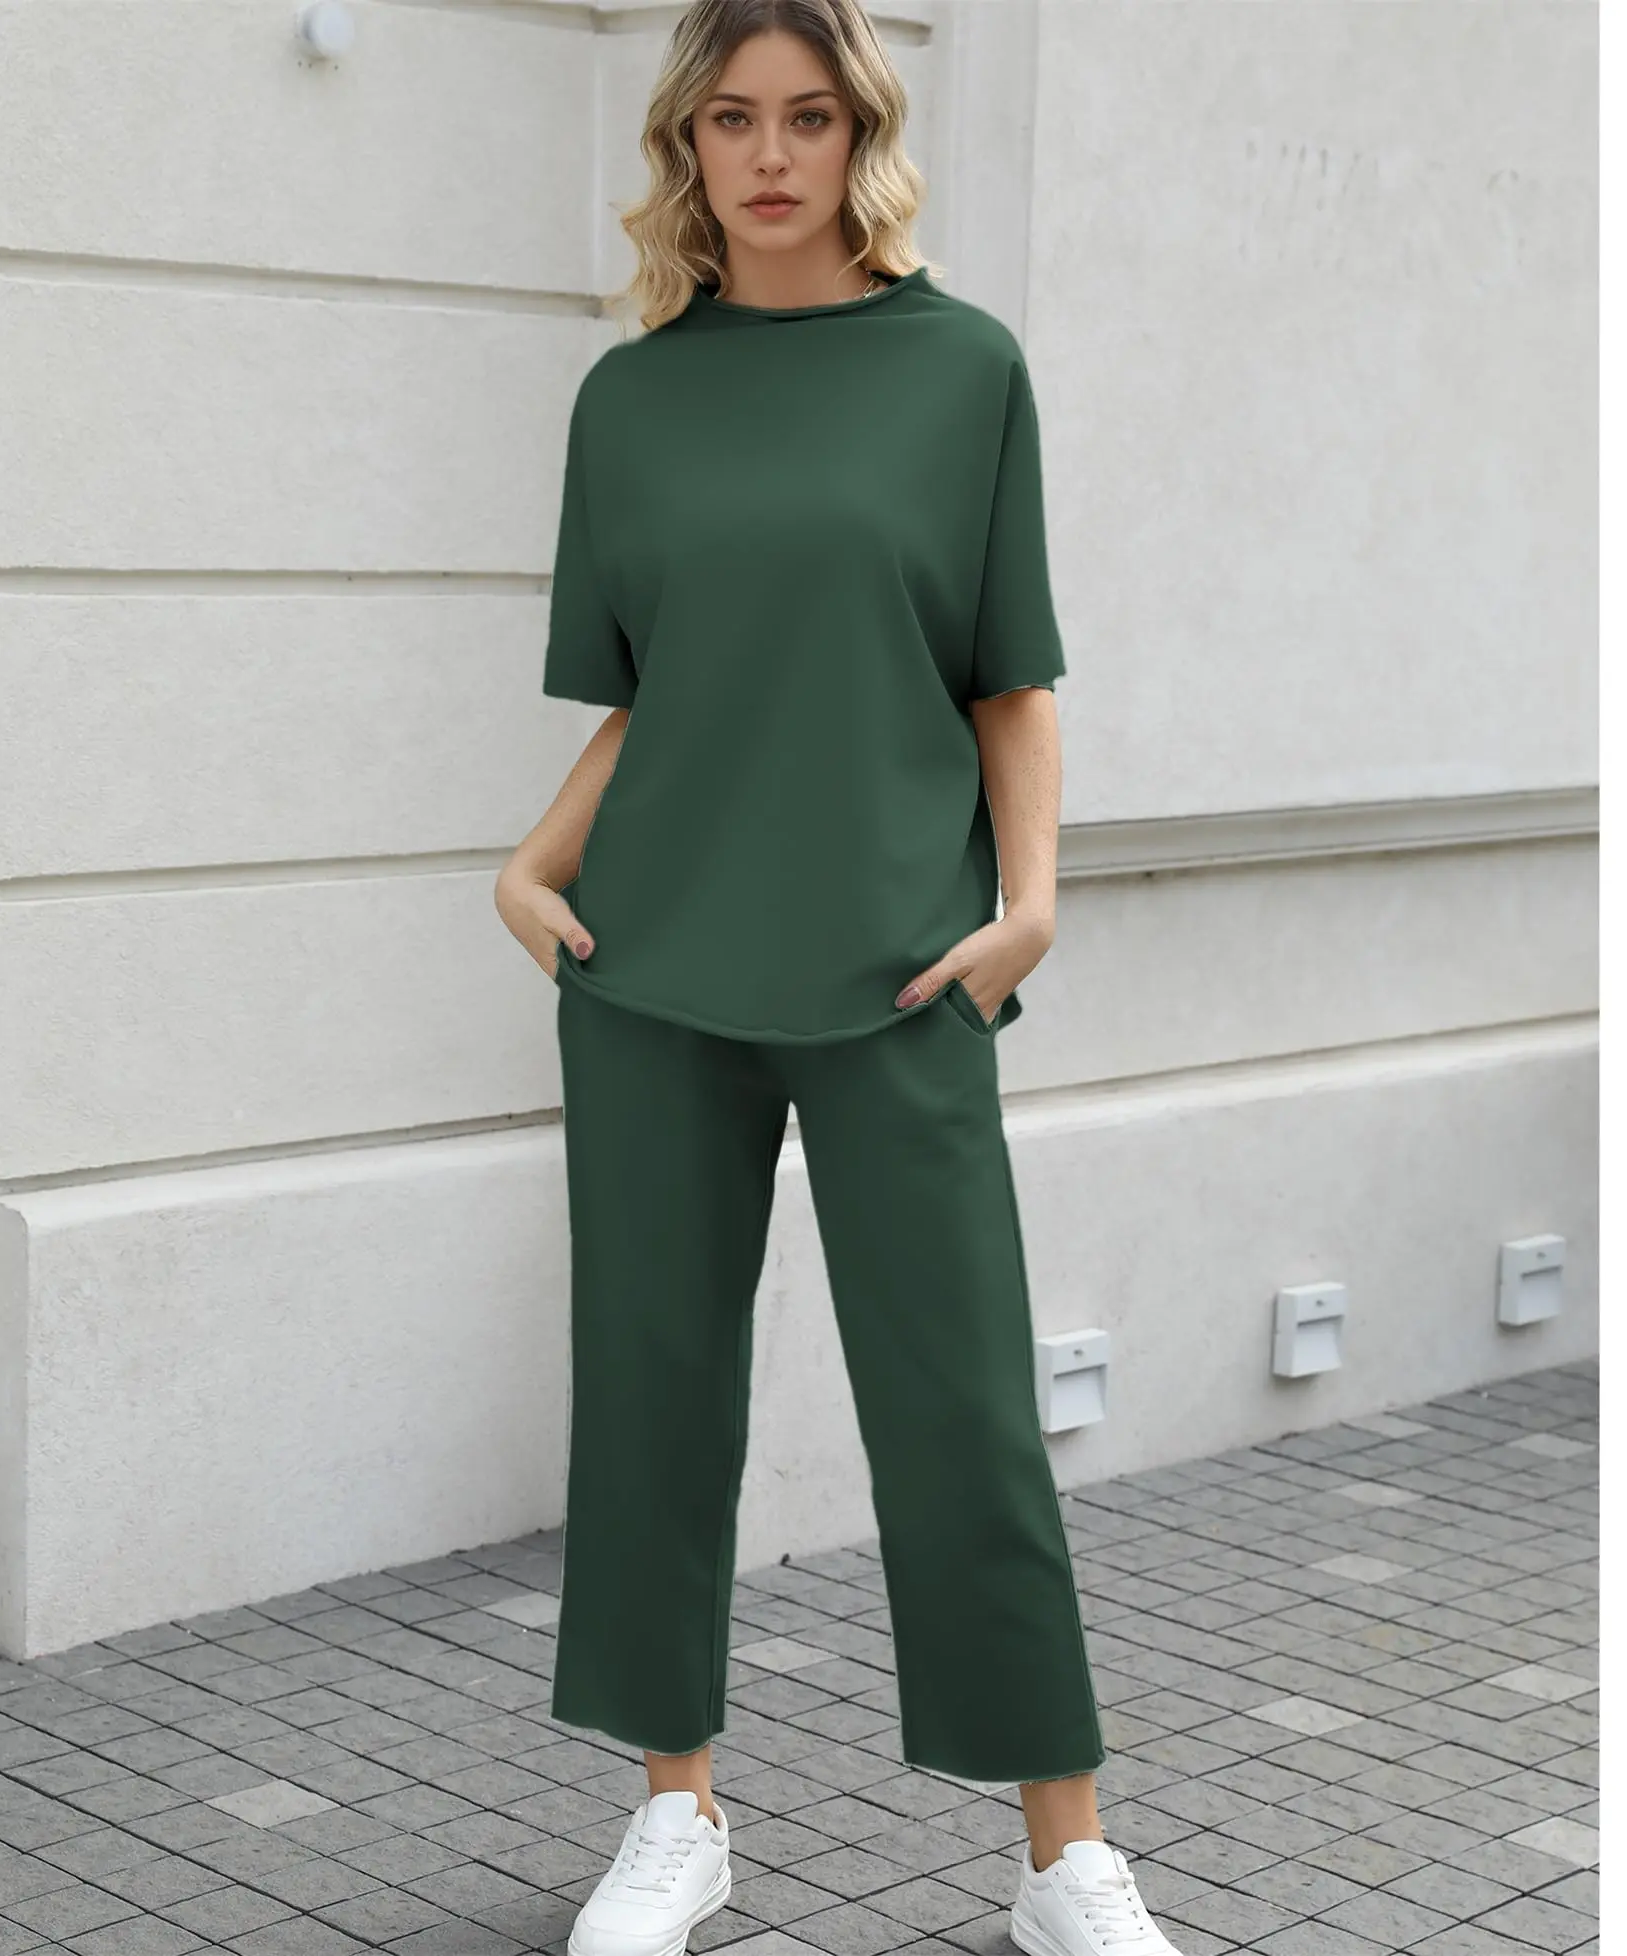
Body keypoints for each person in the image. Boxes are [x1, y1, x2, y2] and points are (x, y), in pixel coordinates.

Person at [495, 4, 1184, 1954]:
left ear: (860, 136)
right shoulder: (631, 402)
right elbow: (666, 694)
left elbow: (1007, 678)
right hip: (651, 961)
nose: (772, 155)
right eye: (734, 119)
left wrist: (1029, 904)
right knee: (651, 1395)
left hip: (901, 964)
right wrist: (532, 863)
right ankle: (677, 1818)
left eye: (810, 117)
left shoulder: (963, 371)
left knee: (963, 1408)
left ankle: (1064, 1856)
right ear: (688, 146)